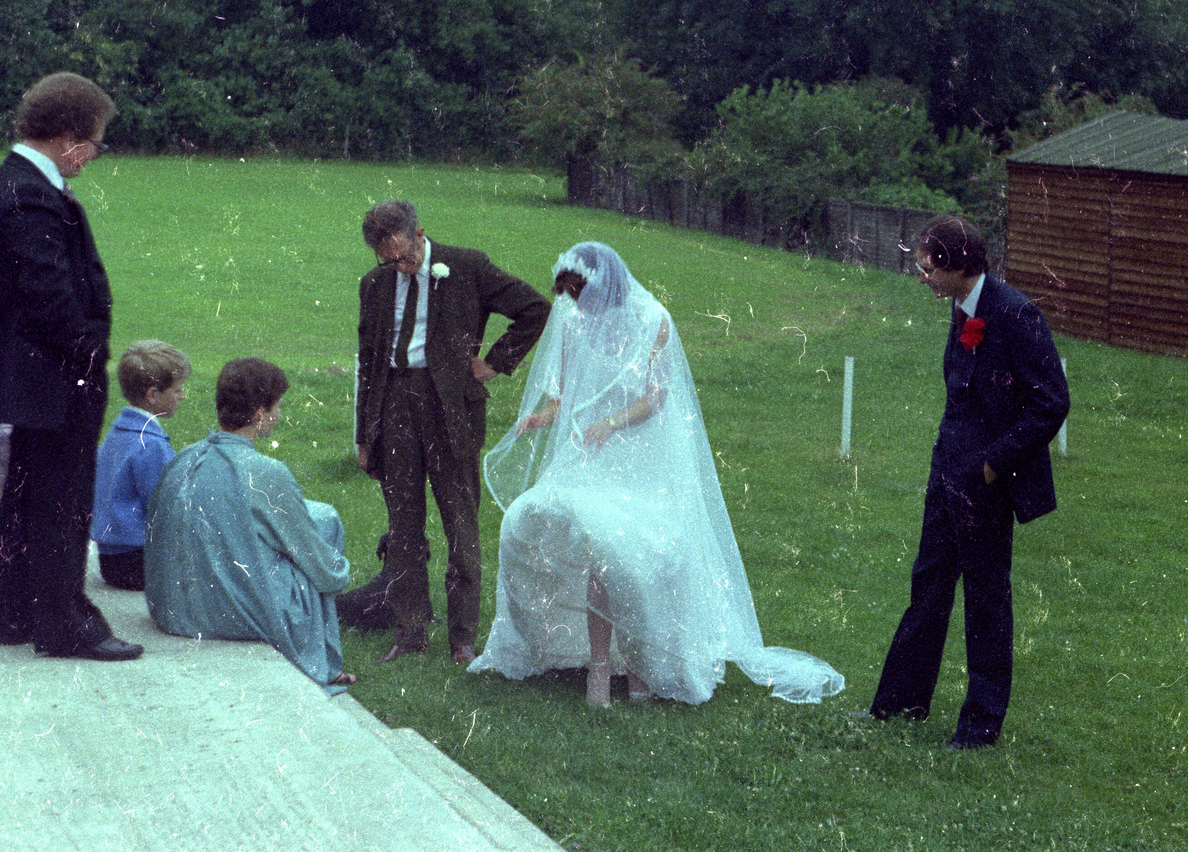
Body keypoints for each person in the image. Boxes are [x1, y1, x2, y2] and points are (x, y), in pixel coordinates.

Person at [470, 242, 845, 707]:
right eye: (568, 297)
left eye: (581, 295)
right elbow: (562, 393)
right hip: (590, 459)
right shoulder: (572, 320)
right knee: (560, 534)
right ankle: (598, 664)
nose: (575, 306)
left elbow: (657, 397)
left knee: (626, 554)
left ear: (605, 287)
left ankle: (637, 665)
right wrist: (542, 417)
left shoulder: (653, 320)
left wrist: (610, 423)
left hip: (641, 456)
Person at [865, 215, 1069, 749]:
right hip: (948, 473)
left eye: (928, 268)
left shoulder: (1017, 314)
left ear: (958, 266)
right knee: (928, 586)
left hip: (988, 481)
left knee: (985, 601)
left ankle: (980, 726)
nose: (923, 278)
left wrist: (994, 464)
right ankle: (900, 703)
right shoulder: (960, 307)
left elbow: (1052, 403)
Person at [354, 200, 549, 666]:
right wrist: (364, 435)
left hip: (451, 408)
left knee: (460, 522)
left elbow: (535, 309)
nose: (399, 267)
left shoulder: (466, 266)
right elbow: (368, 361)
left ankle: (462, 638)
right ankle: (410, 630)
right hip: (394, 404)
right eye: (388, 260)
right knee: (403, 524)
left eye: (405, 257)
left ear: (420, 233)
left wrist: (494, 363)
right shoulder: (374, 284)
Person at [0, 72, 142, 661]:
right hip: (54, 381)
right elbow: (48, 296)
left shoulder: (19, 184)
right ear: (69, 139)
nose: (93, 158)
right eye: (95, 145)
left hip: (30, 382)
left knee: (25, 502)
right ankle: (63, 624)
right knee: (60, 503)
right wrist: (90, 354)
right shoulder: (31, 195)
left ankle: (16, 612)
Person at [145, 358, 354, 692]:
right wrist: (339, 574)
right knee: (326, 522)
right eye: (277, 407)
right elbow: (318, 561)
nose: (279, 415)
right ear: (260, 413)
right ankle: (325, 662)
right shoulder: (264, 472)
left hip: (172, 609)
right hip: (226, 615)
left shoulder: (184, 458)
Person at [91, 340, 191, 591]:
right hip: (139, 561)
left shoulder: (117, 433)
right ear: (153, 395)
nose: (182, 395)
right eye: (177, 390)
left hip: (110, 559)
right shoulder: (151, 444)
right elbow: (166, 506)